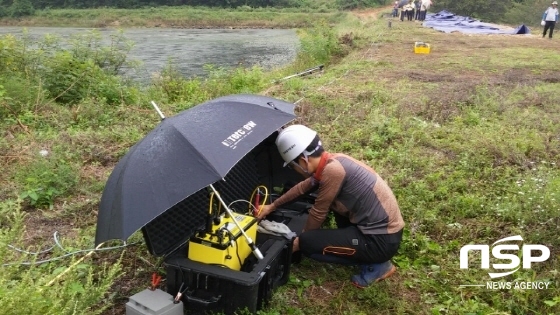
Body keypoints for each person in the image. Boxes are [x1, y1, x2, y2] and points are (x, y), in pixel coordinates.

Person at [257, 125, 405, 288]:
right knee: (330, 213)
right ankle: (365, 251)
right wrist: (272, 206)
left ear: (303, 161)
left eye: (293, 166)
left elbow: (319, 212)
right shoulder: (333, 161)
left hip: (380, 241)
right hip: (378, 231)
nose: (296, 170)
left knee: (308, 243)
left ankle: (378, 265)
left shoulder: (333, 172)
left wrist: (302, 241)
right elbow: (302, 188)